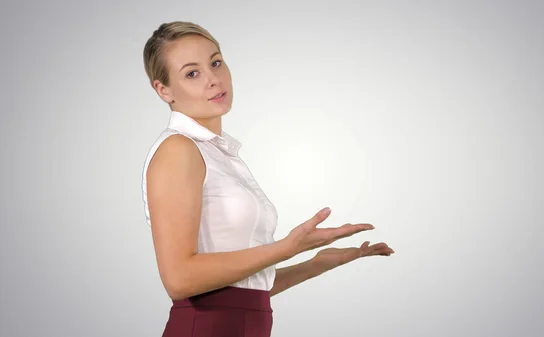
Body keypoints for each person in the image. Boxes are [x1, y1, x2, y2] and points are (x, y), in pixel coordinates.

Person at [140, 20, 395, 337]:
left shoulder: (221, 156)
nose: (213, 79)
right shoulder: (178, 150)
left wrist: (315, 263)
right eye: (192, 73)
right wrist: (288, 247)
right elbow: (179, 279)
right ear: (163, 89)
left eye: (216, 62)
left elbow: (242, 292)